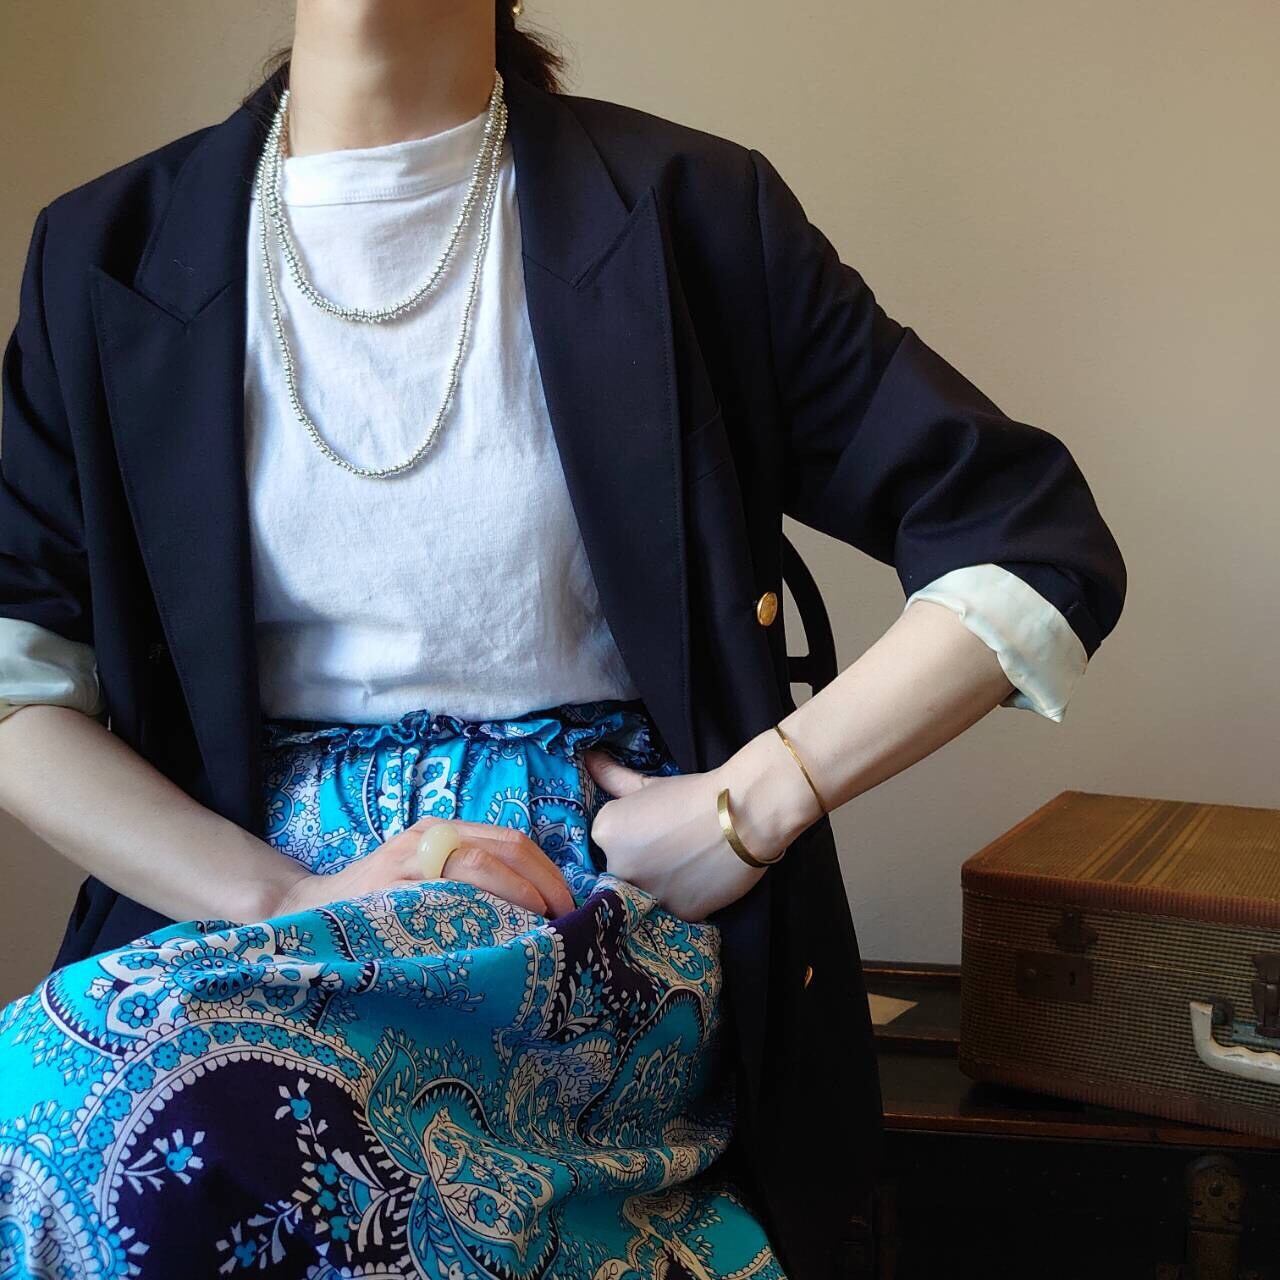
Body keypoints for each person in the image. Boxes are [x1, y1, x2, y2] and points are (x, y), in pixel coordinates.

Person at [0, 1, 1126, 1276]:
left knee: (187, 1139)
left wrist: (751, 801)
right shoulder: (104, 247)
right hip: (235, 904)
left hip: (579, 906)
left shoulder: (691, 209)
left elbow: (1026, 542)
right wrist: (288, 897)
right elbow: (16, 677)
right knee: (65, 1117)